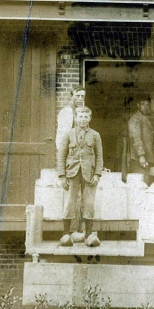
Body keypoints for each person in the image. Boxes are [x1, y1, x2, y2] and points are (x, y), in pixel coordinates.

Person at [57, 107, 103, 247]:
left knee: (88, 203)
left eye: (85, 116)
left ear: (90, 118)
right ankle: (66, 234)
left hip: (89, 175)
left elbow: (99, 156)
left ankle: (88, 235)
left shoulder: (95, 135)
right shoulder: (68, 135)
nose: (83, 119)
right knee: (70, 202)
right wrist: (62, 176)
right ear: (76, 118)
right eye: (80, 116)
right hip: (72, 174)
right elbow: (61, 156)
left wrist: (97, 174)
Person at [55, 85, 86, 242]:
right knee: (70, 197)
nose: (80, 99)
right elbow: (62, 140)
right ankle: (65, 232)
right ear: (71, 96)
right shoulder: (67, 113)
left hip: (79, 162)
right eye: (77, 96)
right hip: (69, 161)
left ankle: (75, 230)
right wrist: (62, 169)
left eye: (82, 96)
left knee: (78, 197)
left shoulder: (81, 113)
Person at [128, 96, 154, 184]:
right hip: (139, 159)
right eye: (143, 104)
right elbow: (135, 138)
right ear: (138, 105)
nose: (145, 106)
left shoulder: (144, 118)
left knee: (144, 182)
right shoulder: (135, 119)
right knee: (140, 184)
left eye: (147, 104)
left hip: (145, 158)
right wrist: (141, 155)